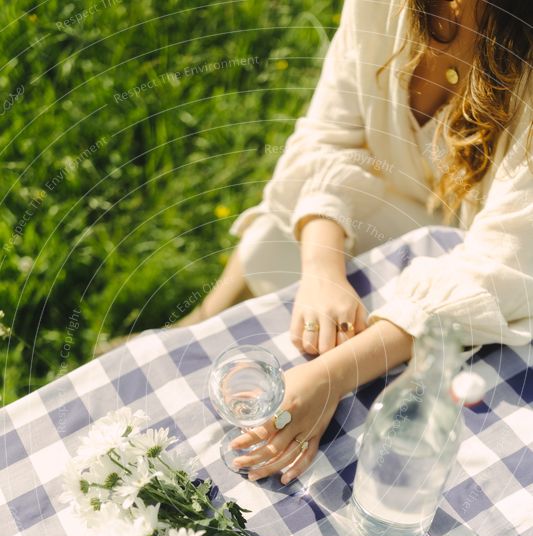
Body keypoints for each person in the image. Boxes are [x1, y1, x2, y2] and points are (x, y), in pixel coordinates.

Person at [189, 0, 533, 483]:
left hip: (490, 273)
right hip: (394, 204)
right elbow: (331, 137)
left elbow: (506, 264)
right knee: (274, 238)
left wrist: (333, 375)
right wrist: (323, 272)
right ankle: (195, 323)